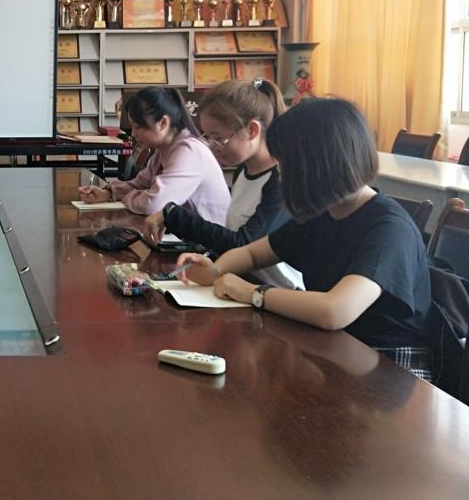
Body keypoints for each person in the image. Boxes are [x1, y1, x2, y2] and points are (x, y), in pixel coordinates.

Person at [177, 98, 435, 380]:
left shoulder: (389, 229)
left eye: (285, 165)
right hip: (339, 350)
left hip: (389, 369)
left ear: (319, 165)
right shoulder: (324, 213)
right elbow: (252, 254)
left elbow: (334, 311)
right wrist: (215, 270)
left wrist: (254, 293)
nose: (280, 175)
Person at [142, 79, 303, 289]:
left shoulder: (282, 181)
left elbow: (243, 244)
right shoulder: (243, 170)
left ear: (252, 130)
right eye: (207, 137)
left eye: (218, 138)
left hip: (279, 292)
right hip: (242, 283)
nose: (212, 146)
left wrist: (173, 215)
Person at [77, 86, 230, 223]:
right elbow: (141, 183)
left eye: (138, 127)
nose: (133, 134)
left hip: (206, 243)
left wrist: (130, 197)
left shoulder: (189, 151)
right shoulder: (164, 148)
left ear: (163, 123)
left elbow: (155, 204)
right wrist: (107, 193)